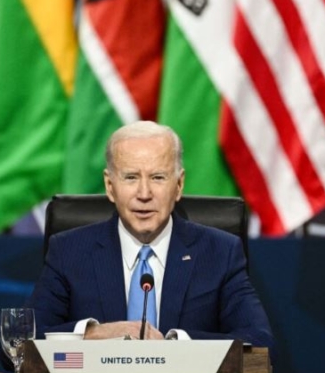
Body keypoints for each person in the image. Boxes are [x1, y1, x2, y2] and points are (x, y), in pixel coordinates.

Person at [28, 121, 273, 347]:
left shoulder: (220, 252)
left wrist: (174, 344)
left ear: (178, 185)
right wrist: (95, 333)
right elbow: (22, 343)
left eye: (157, 177)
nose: (144, 193)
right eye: (131, 177)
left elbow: (259, 343)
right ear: (110, 186)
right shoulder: (69, 251)